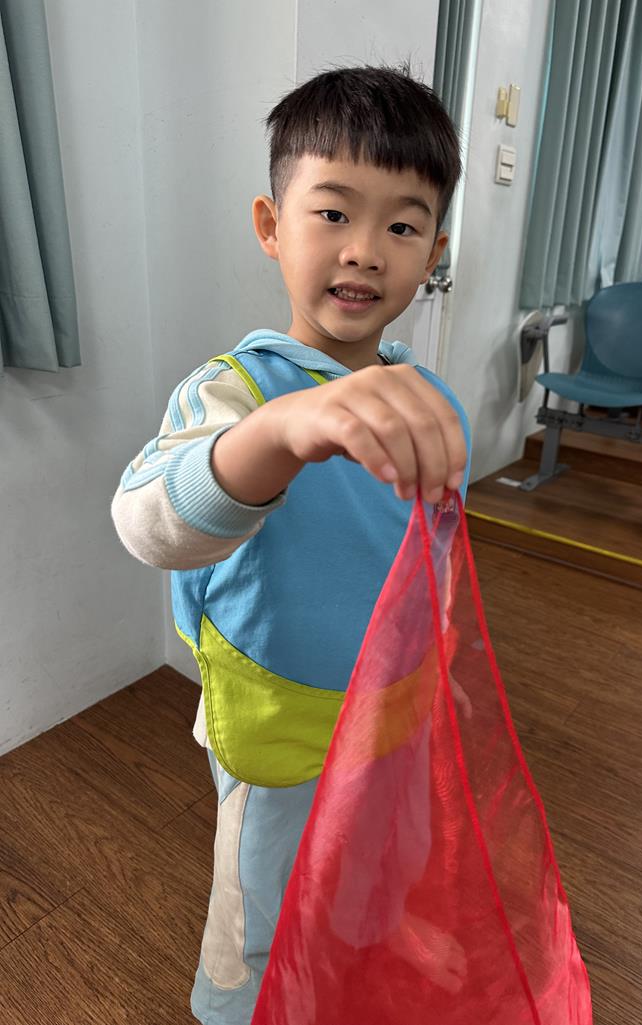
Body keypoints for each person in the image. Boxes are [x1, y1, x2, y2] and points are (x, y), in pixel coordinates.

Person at [111, 64, 471, 1025]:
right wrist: (280, 432)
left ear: (433, 252)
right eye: (333, 213)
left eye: (402, 227)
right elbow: (147, 521)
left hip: (391, 708)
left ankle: (353, 965)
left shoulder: (426, 398)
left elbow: (430, 552)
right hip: (276, 726)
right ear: (272, 225)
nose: (363, 251)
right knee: (263, 905)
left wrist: (438, 663)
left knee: (376, 869)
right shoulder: (234, 392)